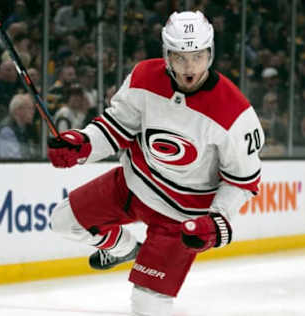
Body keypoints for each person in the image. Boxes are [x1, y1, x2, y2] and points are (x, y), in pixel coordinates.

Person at [47, 11, 264, 316]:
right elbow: (115, 129)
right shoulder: (143, 77)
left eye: (198, 56)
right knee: (63, 220)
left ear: (210, 54)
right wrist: (82, 144)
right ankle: (124, 250)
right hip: (132, 184)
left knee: (148, 303)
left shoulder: (236, 114)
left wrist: (216, 222)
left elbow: (243, 182)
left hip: (181, 215)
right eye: (180, 57)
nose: (190, 68)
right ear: (166, 55)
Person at [0, 93, 38, 159]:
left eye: (33, 108)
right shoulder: (6, 131)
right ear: (18, 111)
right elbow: (13, 160)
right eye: (29, 108)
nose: (33, 112)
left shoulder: (26, 128)